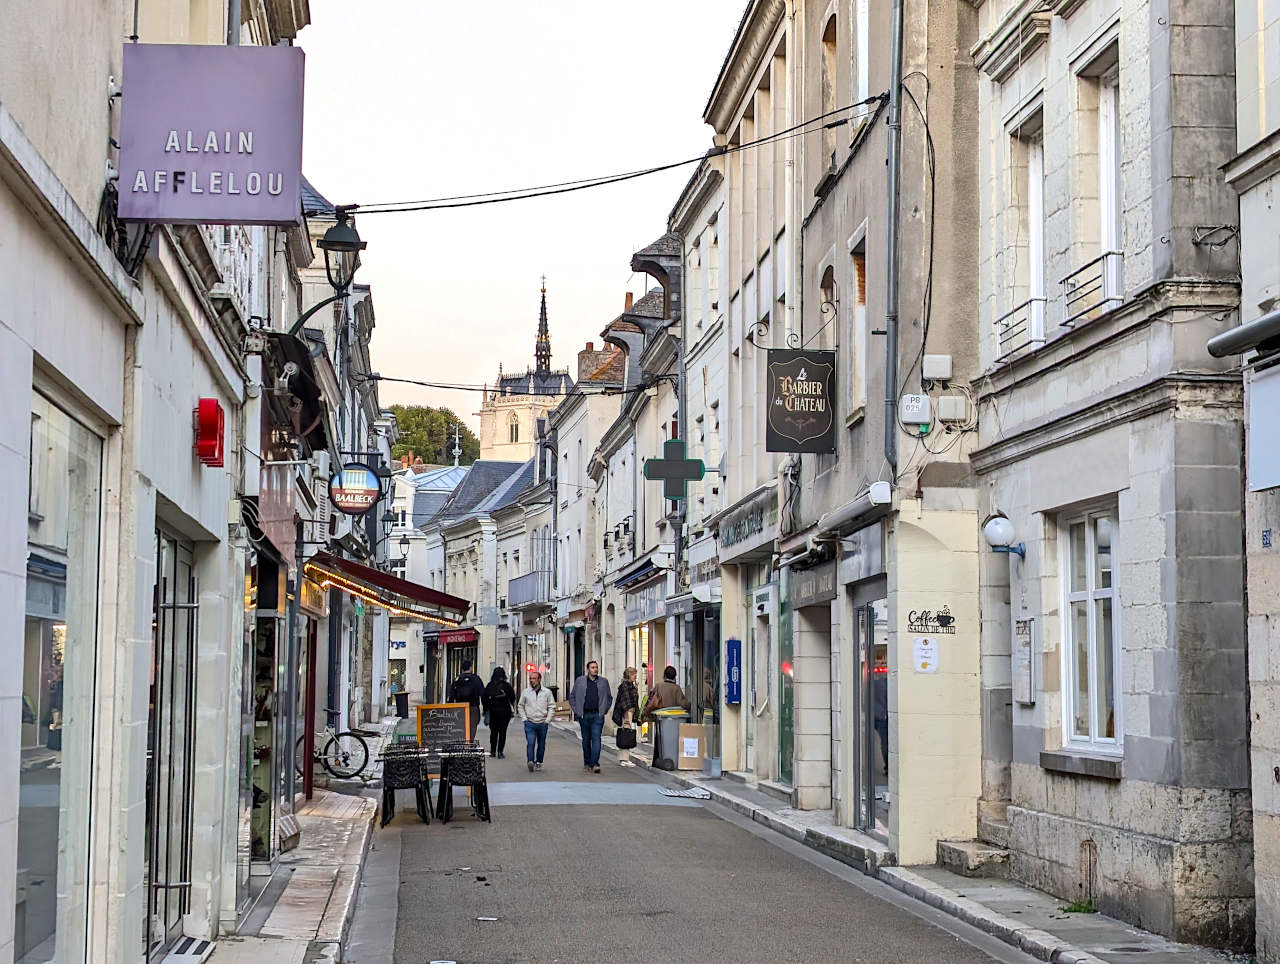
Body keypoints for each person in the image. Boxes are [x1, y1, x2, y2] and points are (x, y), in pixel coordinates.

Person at [640, 665, 690, 768]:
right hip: (674, 717)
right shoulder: (677, 688)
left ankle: (658, 760)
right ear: (675, 676)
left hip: (660, 716)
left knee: (659, 739)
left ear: (664, 675)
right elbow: (682, 703)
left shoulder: (658, 685)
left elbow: (651, 698)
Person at [569, 660, 613, 773]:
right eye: (592, 667)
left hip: (597, 715)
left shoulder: (604, 682)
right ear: (588, 669)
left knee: (596, 739)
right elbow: (572, 697)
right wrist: (577, 711)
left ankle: (595, 764)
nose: (595, 669)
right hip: (584, 715)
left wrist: (604, 710)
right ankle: (587, 763)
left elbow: (609, 698)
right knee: (586, 740)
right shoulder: (580, 681)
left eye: (596, 667)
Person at [518, 670, 556, 772]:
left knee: (541, 744)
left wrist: (547, 720)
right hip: (530, 722)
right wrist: (524, 719)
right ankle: (530, 761)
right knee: (531, 742)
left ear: (539, 679)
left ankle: (539, 762)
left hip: (542, 722)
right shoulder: (526, 692)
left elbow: (552, 706)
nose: (531, 680)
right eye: (530, 678)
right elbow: (520, 706)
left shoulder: (547, 692)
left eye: (534, 678)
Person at [482, 667, 517, 759]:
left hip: (493, 711)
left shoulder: (490, 685)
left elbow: (484, 698)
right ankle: (500, 751)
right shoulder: (507, 686)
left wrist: (485, 710)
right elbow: (513, 697)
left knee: (493, 731)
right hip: (505, 712)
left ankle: (493, 751)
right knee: (502, 732)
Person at [447, 659, 485, 740]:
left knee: (461, 728)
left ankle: (463, 742)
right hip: (473, 708)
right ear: (471, 668)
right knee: (472, 727)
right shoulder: (476, 679)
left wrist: (450, 709)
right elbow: (483, 694)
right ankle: (470, 742)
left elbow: (451, 696)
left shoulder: (457, 679)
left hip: (460, 708)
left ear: (462, 669)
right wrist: (485, 709)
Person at [611, 666, 640, 767]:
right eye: (634, 674)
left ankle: (624, 758)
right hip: (627, 712)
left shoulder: (630, 686)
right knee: (626, 734)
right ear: (629, 675)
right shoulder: (625, 686)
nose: (635, 676)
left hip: (629, 712)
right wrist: (627, 715)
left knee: (626, 733)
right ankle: (624, 758)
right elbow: (626, 702)